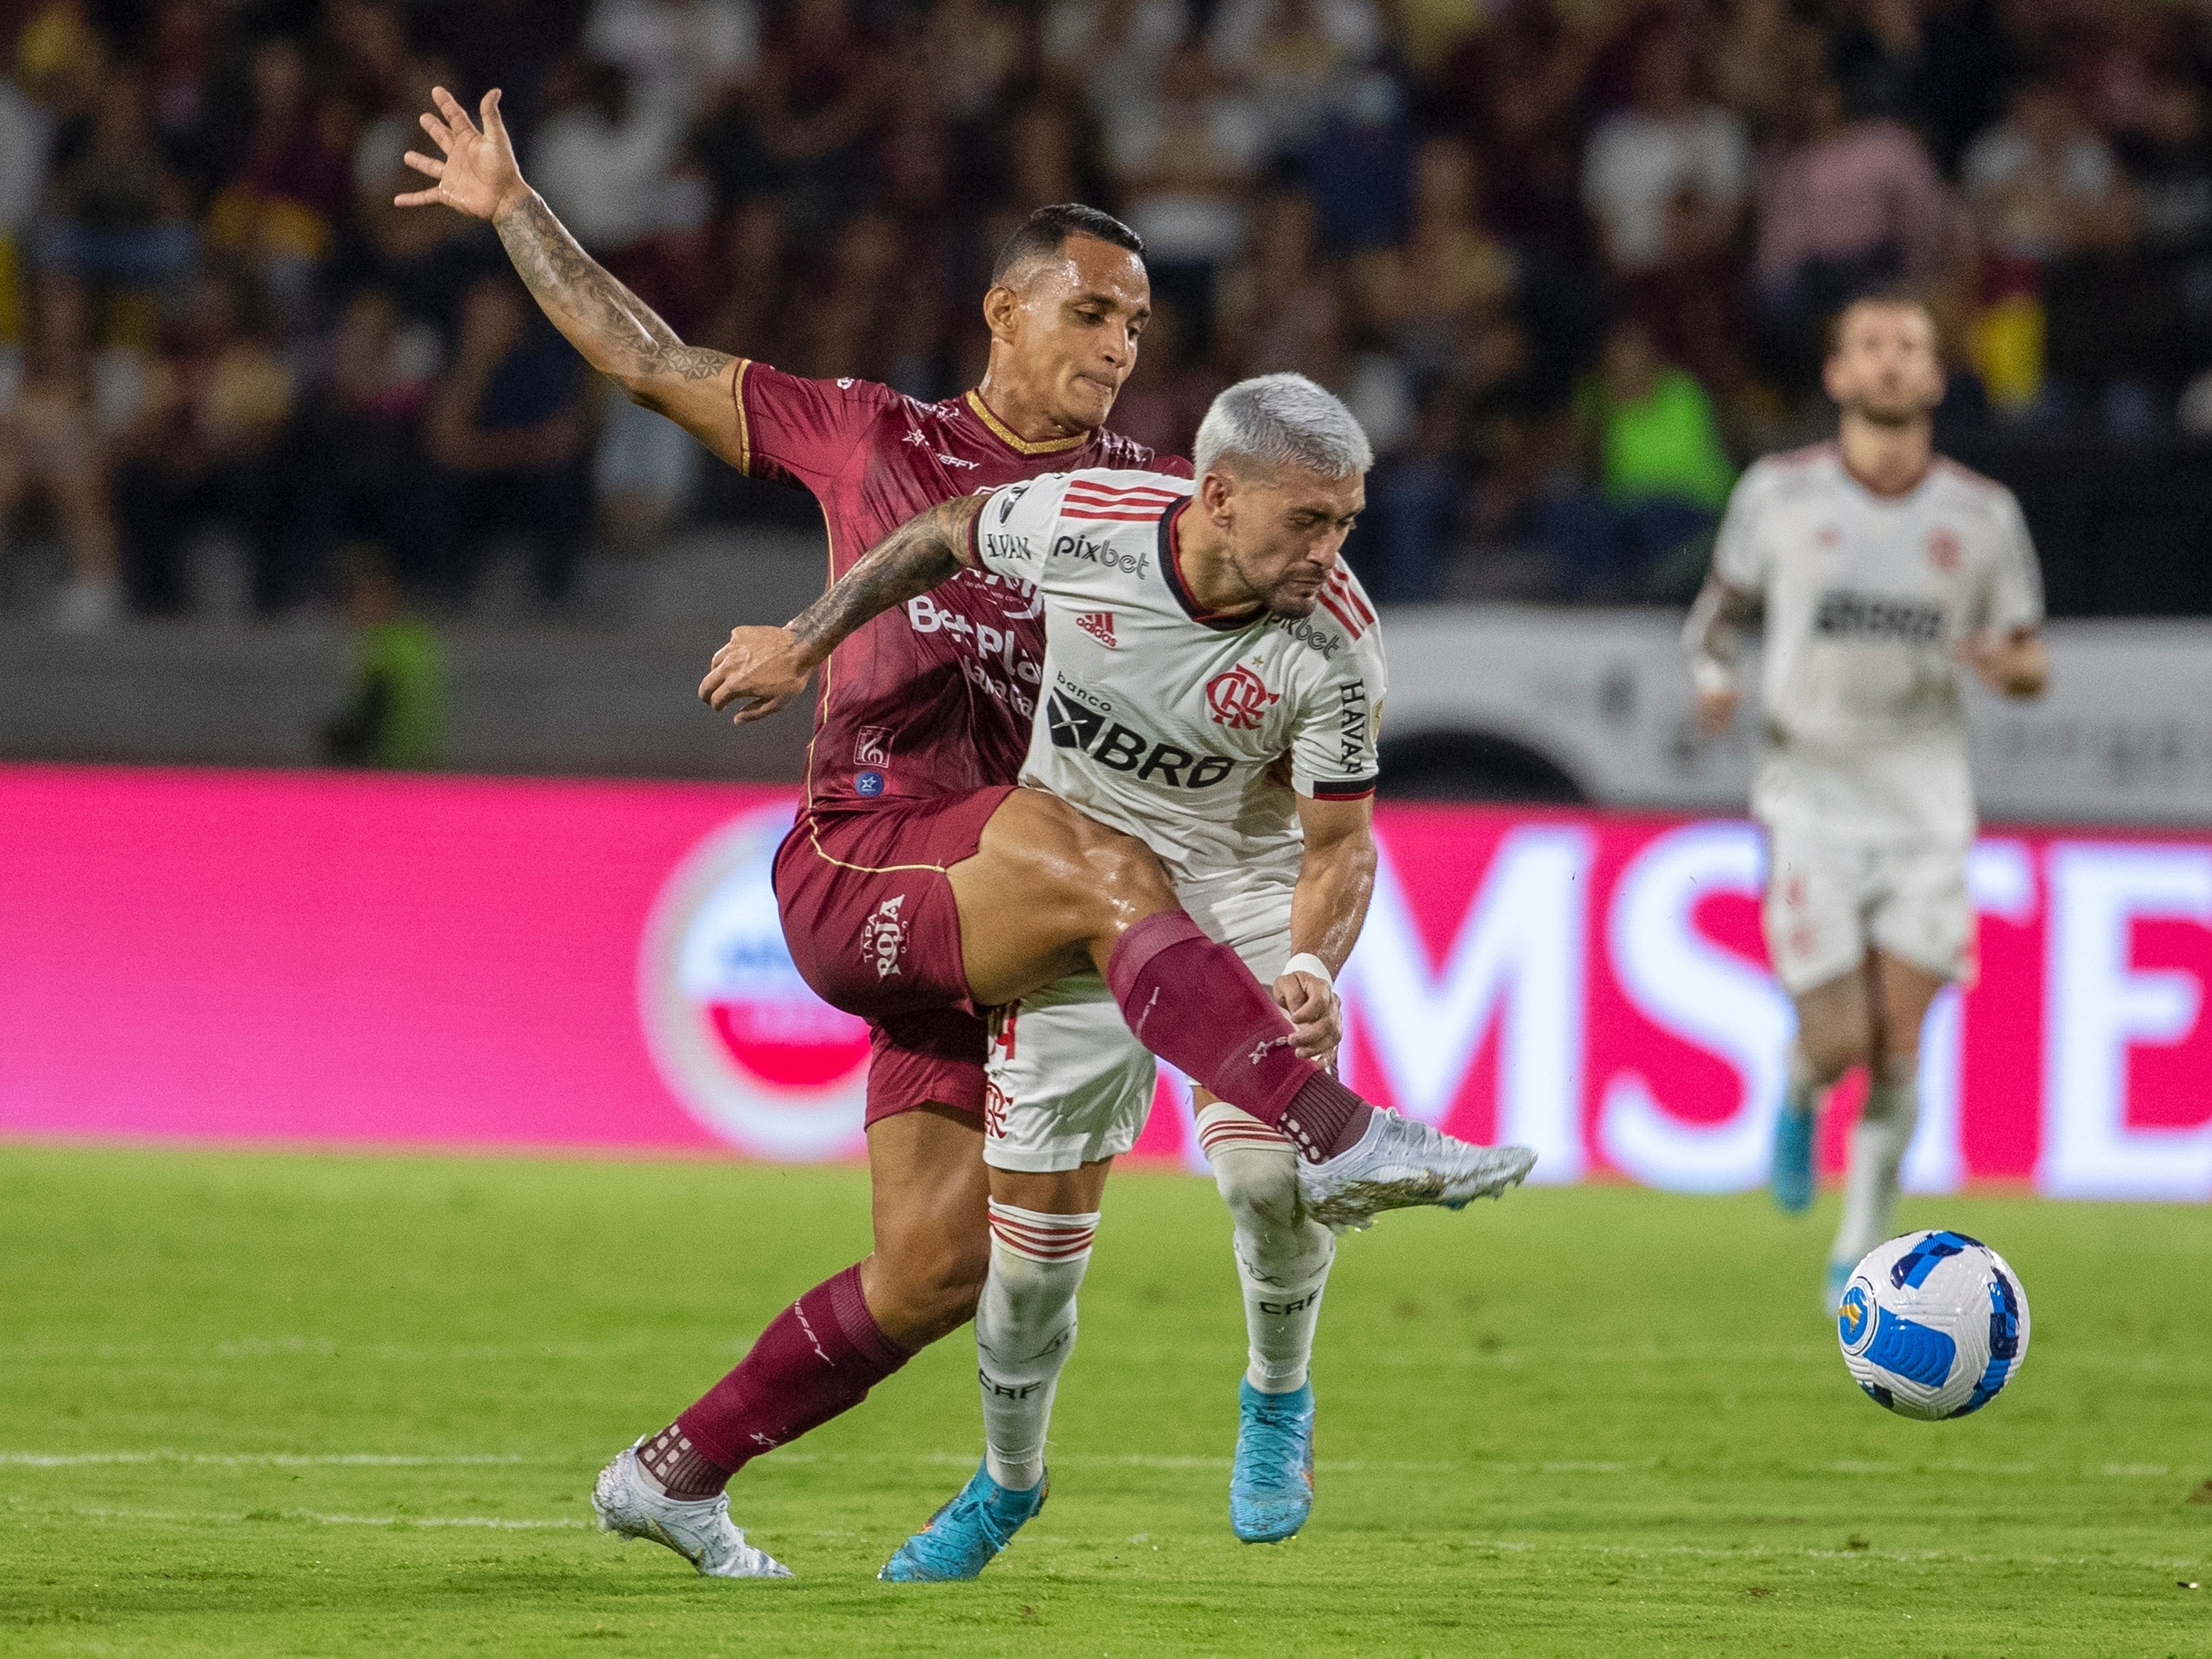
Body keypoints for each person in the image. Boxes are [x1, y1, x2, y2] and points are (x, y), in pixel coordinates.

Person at [392, 87, 1521, 1577]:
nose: (1118, 346)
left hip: (997, 914)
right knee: (1095, 856)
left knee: (936, 1271)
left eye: (1135, 325)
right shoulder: (873, 440)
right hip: (869, 856)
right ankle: (1334, 1136)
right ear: (1004, 309)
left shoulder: (1139, 513)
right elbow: (645, 357)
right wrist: (512, 208)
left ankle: (673, 1473)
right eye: (1092, 311)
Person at [698, 373, 1532, 1577]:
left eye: (1347, 520)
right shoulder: (1088, 521)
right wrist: (806, 638)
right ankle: (1006, 1484)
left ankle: (1278, 1398)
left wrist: (1306, 962)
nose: (1331, 550)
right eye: (1309, 521)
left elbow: (1338, 846)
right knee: (1028, 1269)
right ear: (1220, 494)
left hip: (1239, 889)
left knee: (1262, 1178)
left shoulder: (1337, 642)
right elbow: (937, 534)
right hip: (1078, 890)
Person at [1682, 292, 2049, 1312]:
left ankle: (1858, 1245)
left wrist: (2002, 663)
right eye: (1873, 348)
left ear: (1936, 377)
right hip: (1812, 790)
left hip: (1926, 797)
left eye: (1912, 351)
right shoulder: (1779, 492)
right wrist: (1713, 676)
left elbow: (2031, 658)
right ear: (1838, 375)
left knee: (1900, 1037)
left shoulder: (1982, 516)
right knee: (1841, 1039)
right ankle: (1801, 1089)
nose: (1893, 365)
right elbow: (1718, 614)